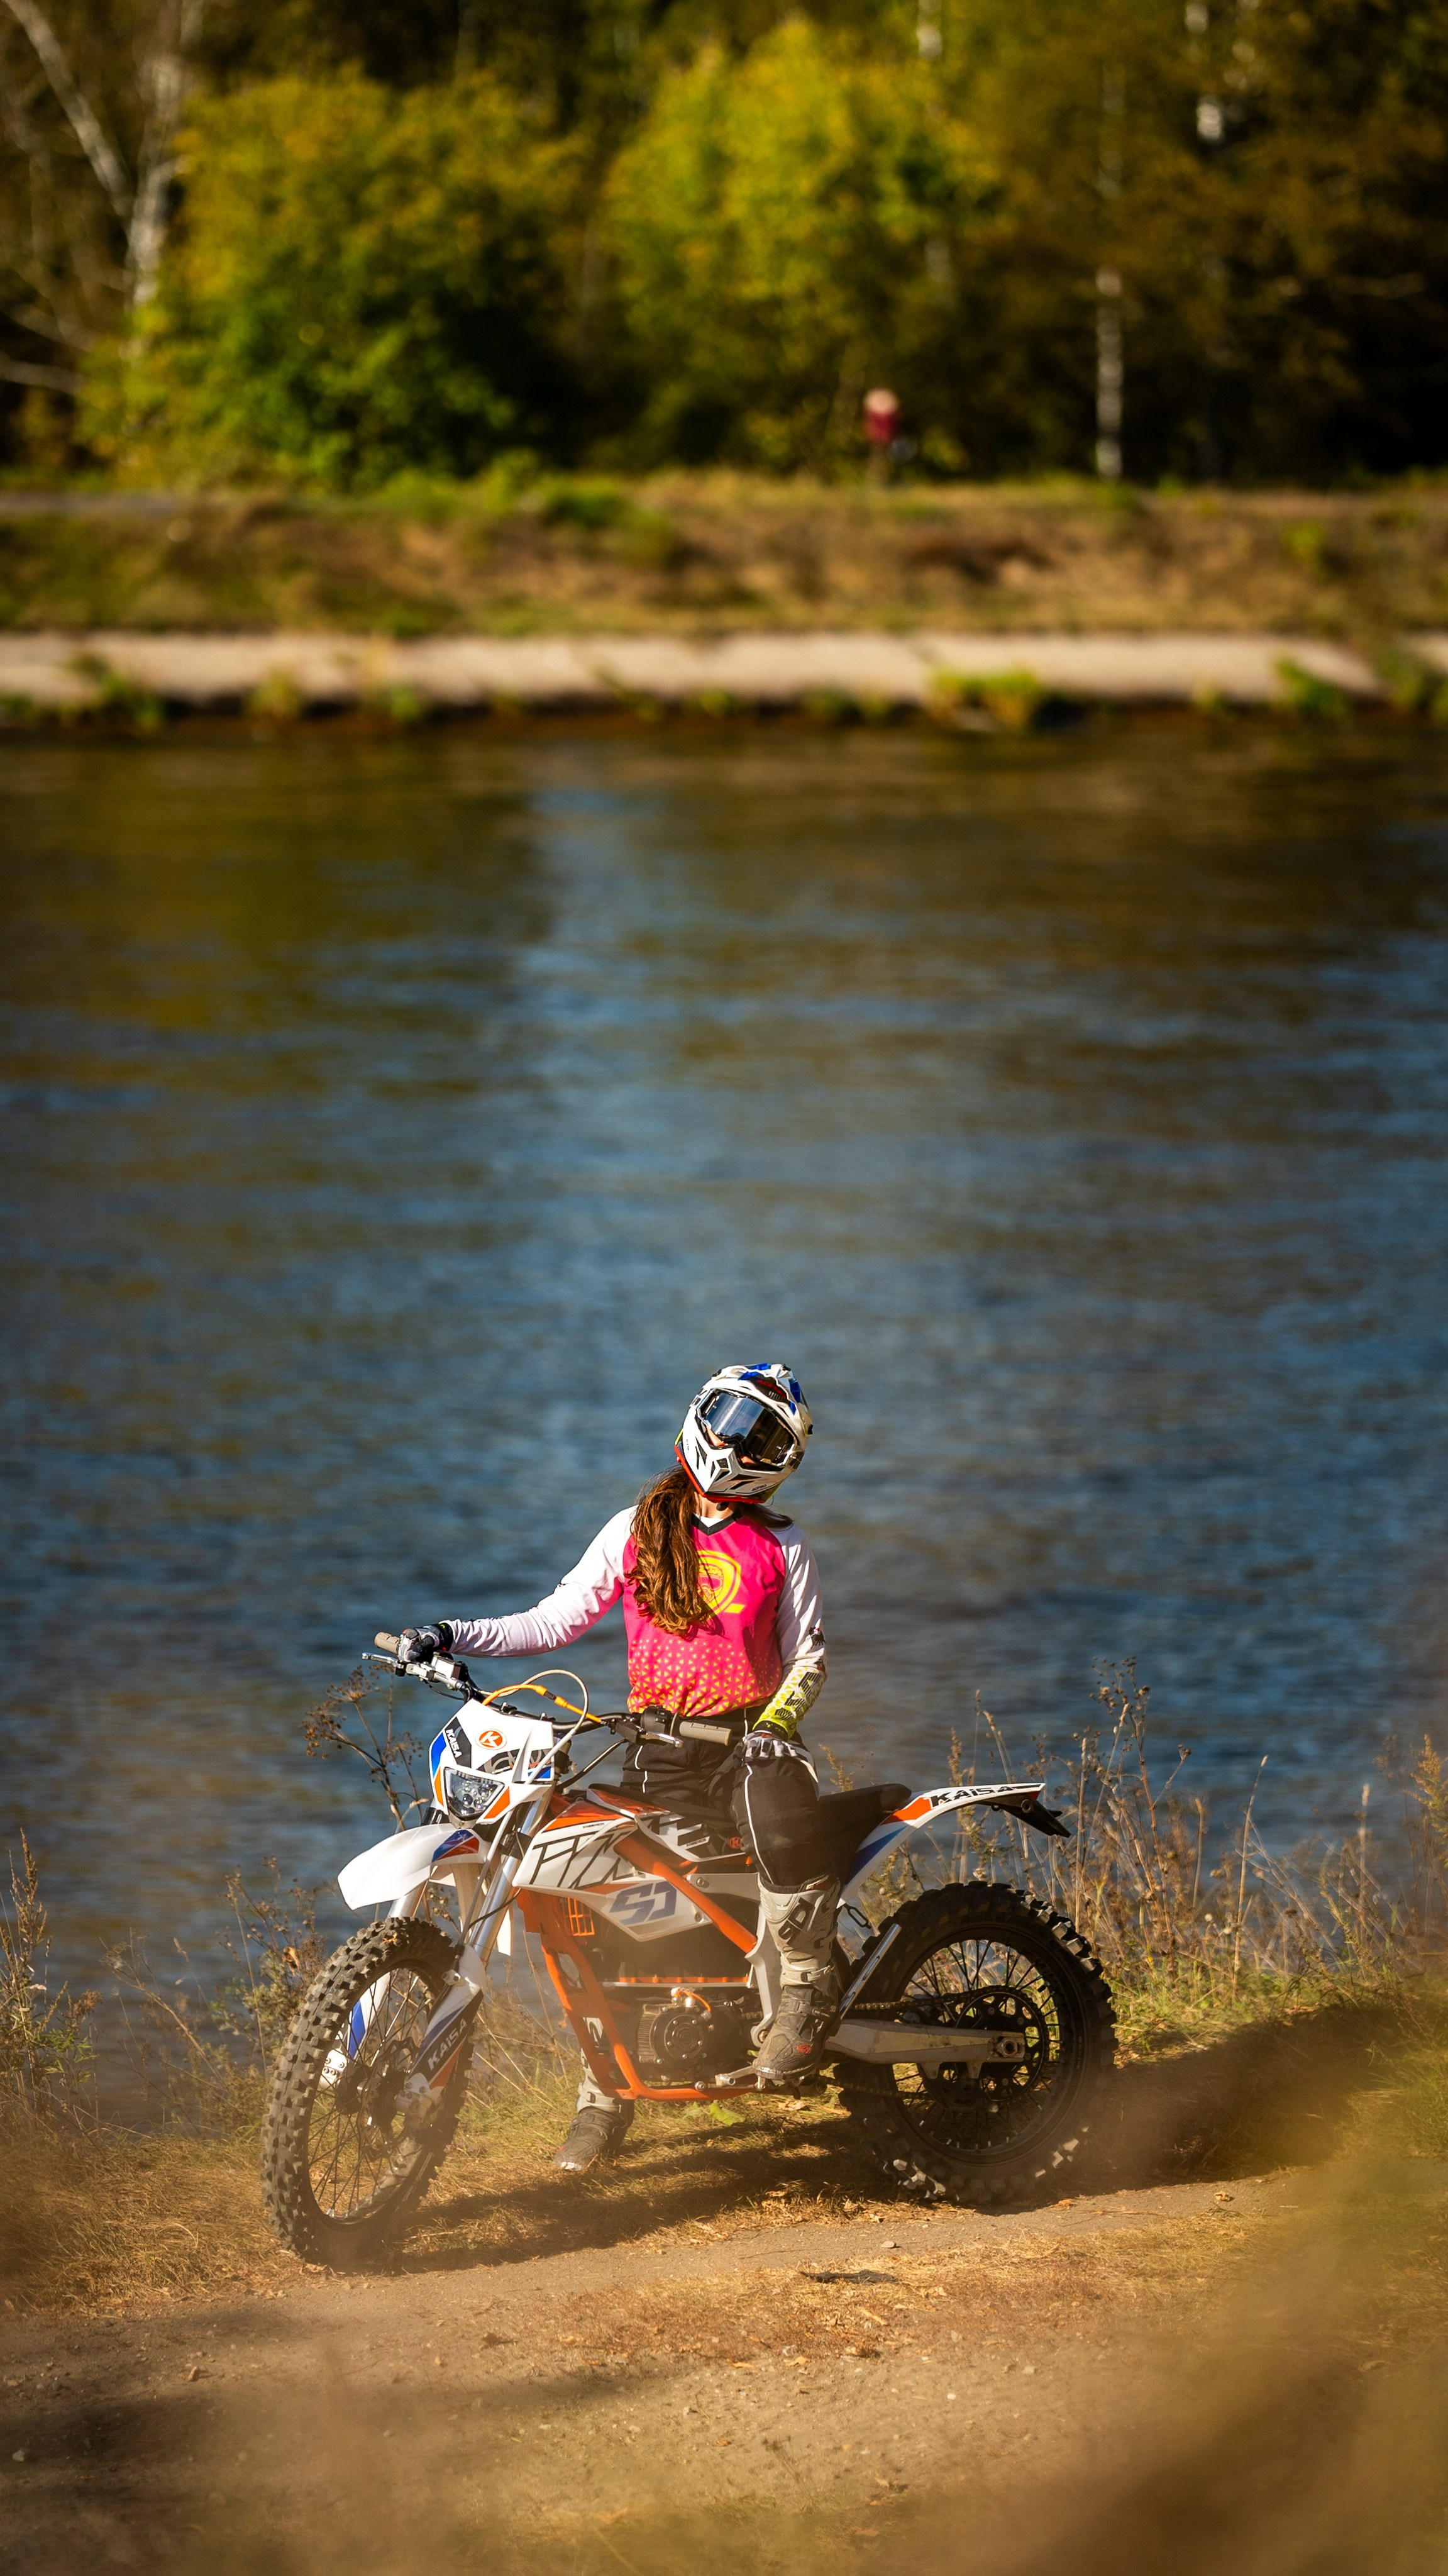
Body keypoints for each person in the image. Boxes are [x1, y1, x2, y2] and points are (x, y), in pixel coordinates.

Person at [395, 1362, 839, 2174]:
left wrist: (776, 1727)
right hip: (656, 1752)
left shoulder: (783, 1545)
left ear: (784, 1460)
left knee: (782, 1822)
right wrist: (449, 1632)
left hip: (752, 1746)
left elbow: (807, 1660)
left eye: (763, 1438)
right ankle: (603, 2095)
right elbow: (552, 1621)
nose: (738, 1444)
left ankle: (804, 1993)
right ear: (701, 1414)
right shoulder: (636, 1529)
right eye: (731, 1421)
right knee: (604, 1913)